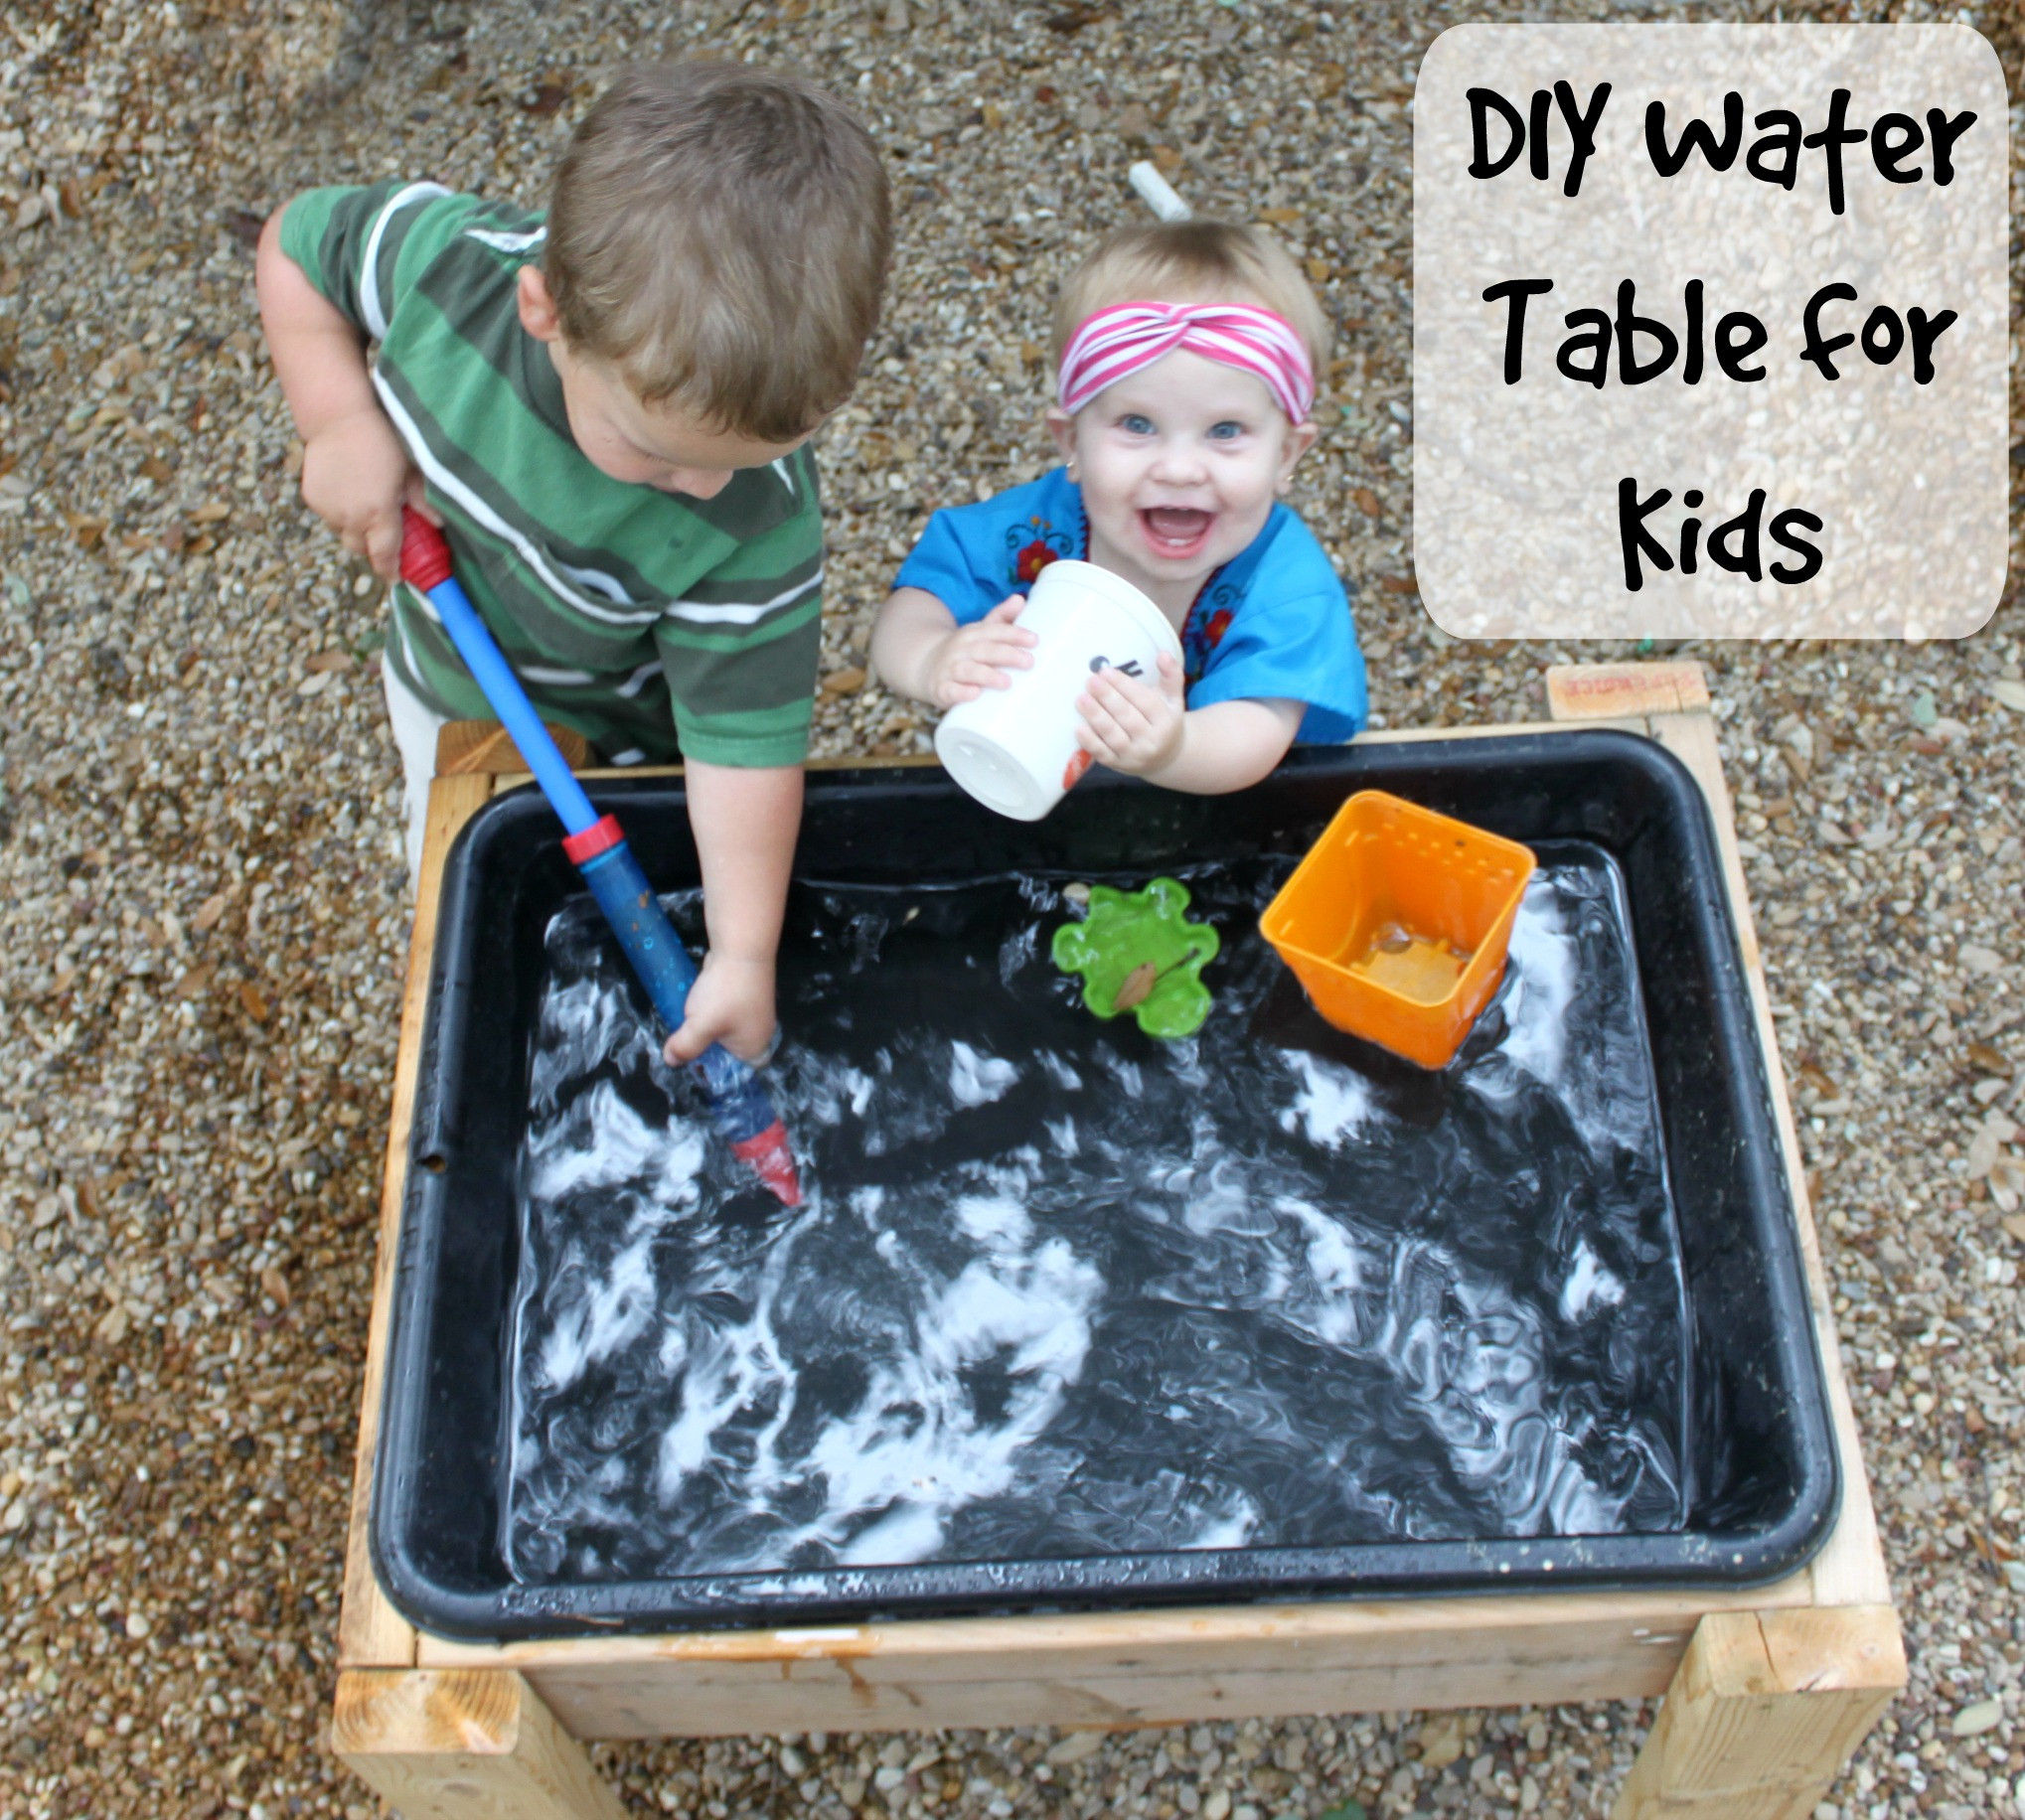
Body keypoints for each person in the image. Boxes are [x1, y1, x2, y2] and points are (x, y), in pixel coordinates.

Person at [256, 62, 890, 1065]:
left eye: (741, 461)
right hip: (451, 672)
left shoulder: (757, 518)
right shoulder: (445, 271)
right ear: (544, 310)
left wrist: (740, 953)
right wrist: (337, 419)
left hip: (637, 725)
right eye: (657, 453)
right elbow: (294, 246)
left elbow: (741, 752)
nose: (699, 491)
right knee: (469, 838)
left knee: (657, 864)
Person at [870, 221, 1366, 795]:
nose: (1180, 469)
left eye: (1225, 430)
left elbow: (1257, 729)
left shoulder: (1286, 586)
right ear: (1069, 441)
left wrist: (1174, 748)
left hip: (1196, 802)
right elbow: (914, 604)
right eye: (1137, 424)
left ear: (1287, 453)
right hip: (1001, 766)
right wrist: (933, 658)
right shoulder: (1031, 530)